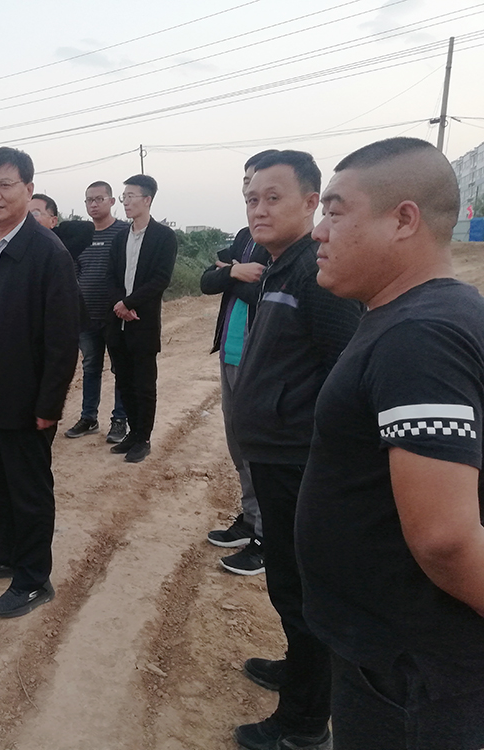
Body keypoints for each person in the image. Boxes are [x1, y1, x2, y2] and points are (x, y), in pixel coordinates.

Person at [299, 137, 484, 749]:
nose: (319, 232)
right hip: (390, 656)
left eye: (335, 211)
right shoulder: (408, 317)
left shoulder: (420, 336)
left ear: (404, 220)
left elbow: (446, 538)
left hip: (410, 671)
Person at [230, 150, 363, 750]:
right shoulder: (280, 266)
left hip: (299, 461)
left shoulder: (316, 273)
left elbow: (342, 374)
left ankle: (305, 723)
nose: (259, 209)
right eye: (251, 199)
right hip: (276, 455)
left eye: (272, 198)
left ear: (312, 202)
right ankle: (299, 670)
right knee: (287, 583)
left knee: (303, 591)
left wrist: (321, 457)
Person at [0, 147, 79, 618]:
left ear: (28, 189)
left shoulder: (47, 252)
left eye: (4, 184)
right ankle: (7, 552)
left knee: (28, 484)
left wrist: (49, 404)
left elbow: (63, 340)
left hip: (23, 383)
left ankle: (33, 578)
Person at [201, 150, 277, 577]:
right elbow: (207, 281)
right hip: (231, 354)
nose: (250, 190)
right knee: (238, 444)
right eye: (247, 183)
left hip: (259, 357)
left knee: (260, 449)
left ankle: (267, 537)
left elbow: (267, 293)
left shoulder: (285, 243)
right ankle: (250, 519)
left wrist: (233, 273)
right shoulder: (245, 235)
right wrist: (234, 271)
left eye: (259, 182)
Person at [105, 174, 177, 463]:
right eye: (124, 197)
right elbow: (110, 277)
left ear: (147, 199)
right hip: (118, 321)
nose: (125, 202)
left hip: (142, 321)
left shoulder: (164, 237)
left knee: (144, 384)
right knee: (123, 380)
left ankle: (143, 438)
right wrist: (119, 304)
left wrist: (129, 303)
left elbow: (160, 279)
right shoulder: (120, 237)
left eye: (131, 196)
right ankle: (133, 433)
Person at [65, 181, 130, 443]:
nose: (93, 204)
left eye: (99, 199)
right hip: (86, 315)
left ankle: (120, 420)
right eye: (89, 200)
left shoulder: (124, 232)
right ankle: (88, 417)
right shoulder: (81, 234)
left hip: (116, 315)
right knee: (90, 367)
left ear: (112, 201)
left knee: (120, 369)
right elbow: (74, 270)